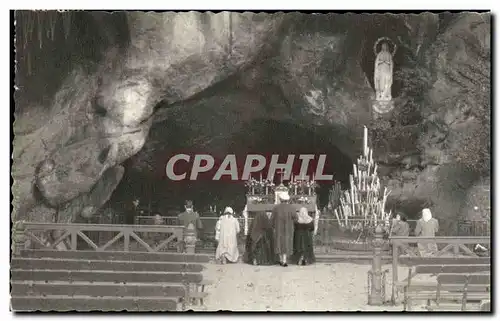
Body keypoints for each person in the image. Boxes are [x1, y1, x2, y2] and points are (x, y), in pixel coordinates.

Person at [271, 191, 296, 267]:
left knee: (279, 243)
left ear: (280, 199)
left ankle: (281, 259)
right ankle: (284, 260)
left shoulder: (276, 208)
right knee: (286, 243)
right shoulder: (291, 207)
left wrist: (273, 226)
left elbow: (272, 219)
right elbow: (295, 218)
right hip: (288, 229)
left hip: (278, 228)